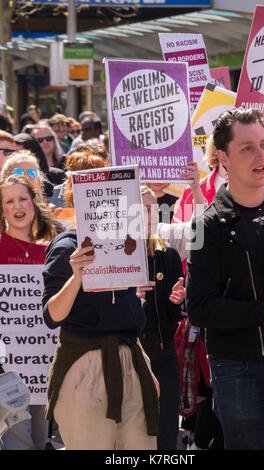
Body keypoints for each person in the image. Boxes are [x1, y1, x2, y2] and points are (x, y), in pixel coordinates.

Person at [186, 107, 264, 450]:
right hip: (238, 369)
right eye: (247, 148)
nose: (261, 155)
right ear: (223, 158)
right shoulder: (207, 226)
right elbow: (200, 309)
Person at [41, 150, 159, 450]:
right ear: (74, 197)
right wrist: (77, 275)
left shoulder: (125, 244)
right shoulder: (66, 246)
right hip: (85, 367)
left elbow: (127, 316)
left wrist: (144, 367)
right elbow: (52, 315)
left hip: (130, 362)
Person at [0, 174, 57, 450]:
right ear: (2, 209)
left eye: (23, 198)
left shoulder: (51, 250)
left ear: (35, 203)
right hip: (6, 368)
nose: (17, 206)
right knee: (17, 442)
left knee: (39, 438)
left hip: (43, 366)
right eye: (9, 201)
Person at [138, 185, 185, 450]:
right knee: (136, 432)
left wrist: (178, 302)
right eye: (143, 209)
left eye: (154, 208)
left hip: (163, 351)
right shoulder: (115, 257)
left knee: (167, 432)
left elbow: (174, 314)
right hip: (130, 353)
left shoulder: (168, 254)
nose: (151, 214)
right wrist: (130, 296)